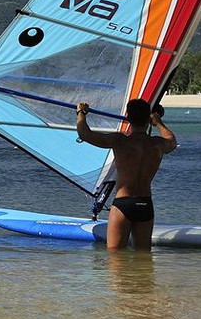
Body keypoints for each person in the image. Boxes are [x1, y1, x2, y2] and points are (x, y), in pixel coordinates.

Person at [76, 98, 177, 250]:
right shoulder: (157, 144)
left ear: (128, 118)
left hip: (124, 204)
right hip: (145, 204)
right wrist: (158, 123)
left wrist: (81, 113)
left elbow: (84, 133)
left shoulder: (120, 141)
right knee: (144, 258)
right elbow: (172, 140)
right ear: (148, 118)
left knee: (115, 259)